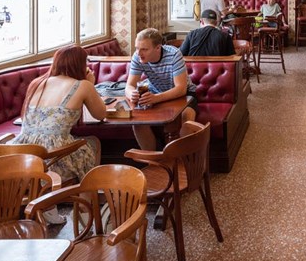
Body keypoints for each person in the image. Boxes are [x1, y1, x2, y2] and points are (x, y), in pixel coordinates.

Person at [11, 44, 106, 224]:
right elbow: (100, 114)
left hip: (23, 153)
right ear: (80, 65)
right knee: (92, 145)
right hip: (52, 157)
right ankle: (85, 211)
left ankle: (49, 209)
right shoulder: (83, 85)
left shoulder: (36, 82)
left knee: (80, 146)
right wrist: (90, 85)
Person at [125, 28, 197, 150]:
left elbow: (181, 89)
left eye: (144, 49)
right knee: (138, 123)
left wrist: (155, 99)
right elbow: (129, 86)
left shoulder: (174, 54)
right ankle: (154, 161)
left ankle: (182, 160)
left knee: (186, 117)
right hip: (155, 93)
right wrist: (132, 93)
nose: (138, 53)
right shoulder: (137, 57)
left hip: (184, 95)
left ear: (158, 48)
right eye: (137, 48)